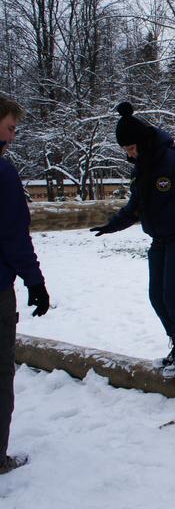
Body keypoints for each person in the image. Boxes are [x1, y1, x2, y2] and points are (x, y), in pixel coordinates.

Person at [91, 102, 175, 377]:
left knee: (172, 294)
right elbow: (135, 206)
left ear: (143, 142)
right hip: (158, 238)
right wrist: (112, 226)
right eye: (125, 150)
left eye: (131, 148)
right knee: (156, 296)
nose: (129, 154)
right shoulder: (142, 167)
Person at [0, 96, 51, 474]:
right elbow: (13, 236)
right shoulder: (2, 174)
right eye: (10, 128)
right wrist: (35, 281)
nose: (12, 138)